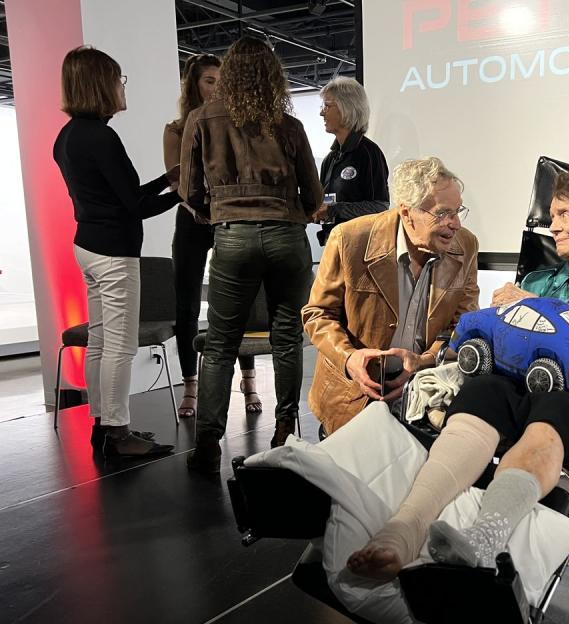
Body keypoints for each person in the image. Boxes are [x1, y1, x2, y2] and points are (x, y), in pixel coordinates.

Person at [347, 170, 569, 582]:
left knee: (554, 407)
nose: (552, 225)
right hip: (523, 380)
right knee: (484, 391)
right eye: (551, 215)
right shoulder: (542, 277)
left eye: (564, 214)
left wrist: (536, 306)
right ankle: (404, 527)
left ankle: (484, 538)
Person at [179, 37, 323, 474]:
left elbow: (189, 191)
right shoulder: (289, 125)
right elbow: (314, 195)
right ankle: (283, 431)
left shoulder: (202, 119)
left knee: (220, 343)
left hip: (233, 237)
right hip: (286, 237)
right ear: (273, 76)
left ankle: (207, 443)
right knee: (286, 340)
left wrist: (218, 215)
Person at [53, 46, 179, 457]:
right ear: (100, 84)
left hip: (87, 246)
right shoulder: (102, 137)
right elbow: (135, 208)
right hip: (114, 254)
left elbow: (117, 199)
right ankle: (119, 433)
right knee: (121, 347)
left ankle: (102, 426)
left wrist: (166, 180)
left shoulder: (68, 136)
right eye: (118, 78)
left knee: (102, 342)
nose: (122, 87)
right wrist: (183, 194)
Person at [302, 156, 479, 436]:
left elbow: (466, 325)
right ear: (407, 213)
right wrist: (350, 359)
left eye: (458, 211)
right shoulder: (349, 240)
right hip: (352, 398)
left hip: (424, 398)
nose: (455, 224)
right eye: (443, 213)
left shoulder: (465, 246)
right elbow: (317, 315)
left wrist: (425, 360)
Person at [162, 53, 263, 418]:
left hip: (228, 221)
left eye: (221, 81)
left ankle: (248, 380)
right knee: (186, 306)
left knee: (236, 303)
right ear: (194, 84)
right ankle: (191, 386)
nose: (216, 88)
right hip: (192, 221)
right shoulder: (176, 128)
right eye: (209, 81)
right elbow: (177, 179)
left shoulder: (234, 125)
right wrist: (198, 209)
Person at [313, 76, 389, 245]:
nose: (321, 112)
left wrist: (334, 210)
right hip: (333, 244)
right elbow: (325, 202)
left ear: (346, 107)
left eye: (327, 105)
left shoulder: (369, 153)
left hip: (361, 249)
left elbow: (380, 206)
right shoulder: (330, 159)